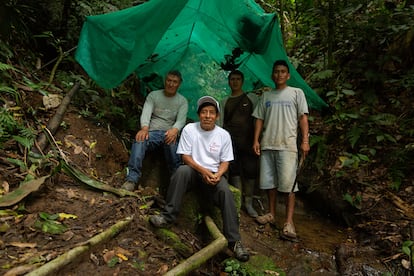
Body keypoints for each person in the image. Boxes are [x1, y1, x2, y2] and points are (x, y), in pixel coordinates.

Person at [149, 96, 250, 262]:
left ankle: (234, 241)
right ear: (199, 115)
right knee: (181, 171)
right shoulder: (190, 129)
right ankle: (167, 217)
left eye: (211, 112)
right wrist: (203, 171)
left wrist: (217, 174)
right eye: (204, 112)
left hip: (214, 175)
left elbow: (226, 161)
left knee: (225, 191)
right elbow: (185, 157)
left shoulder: (223, 135)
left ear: (217, 116)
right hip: (194, 171)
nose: (208, 116)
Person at [252, 60, 310, 239]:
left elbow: (303, 118)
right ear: (272, 75)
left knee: (289, 185)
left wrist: (305, 140)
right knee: (270, 183)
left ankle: (289, 222)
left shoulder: (296, 93)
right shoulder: (266, 96)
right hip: (268, 143)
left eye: (283, 72)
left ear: (288, 75)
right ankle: (271, 214)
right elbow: (259, 119)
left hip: (288, 145)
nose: (279, 75)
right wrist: (256, 139)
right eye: (276, 72)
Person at [122, 70, 188, 191]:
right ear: (165, 81)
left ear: (179, 84)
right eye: (169, 80)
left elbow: (181, 120)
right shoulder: (154, 95)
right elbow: (146, 112)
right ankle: (131, 179)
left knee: (173, 146)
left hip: (169, 133)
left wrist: (175, 130)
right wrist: (144, 128)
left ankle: (177, 182)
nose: (171, 84)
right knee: (139, 140)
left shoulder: (182, 101)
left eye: (175, 82)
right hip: (152, 132)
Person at [218, 70, 260, 218]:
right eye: (232, 79)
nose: (235, 82)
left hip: (249, 142)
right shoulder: (224, 102)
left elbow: (258, 119)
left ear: (242, 81)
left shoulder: (252, 98)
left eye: (237, 79)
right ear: (229, 82)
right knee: (234, 171)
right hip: (231, 143)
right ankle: (238, 203)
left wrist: (257, 138)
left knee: (250, 171)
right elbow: (221, 124)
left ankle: (248, 203)